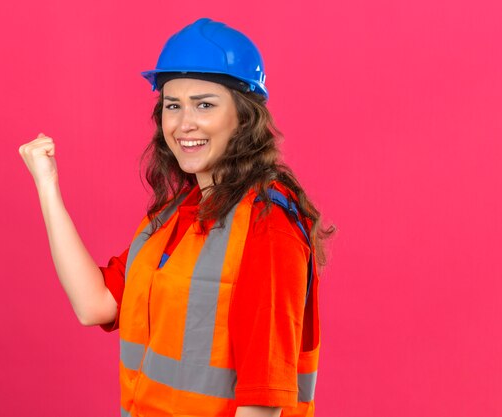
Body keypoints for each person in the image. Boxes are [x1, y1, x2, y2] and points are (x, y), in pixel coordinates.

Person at [19, 17, 333, 417]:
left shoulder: (267, 225)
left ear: (244, 116)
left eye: (204, 104)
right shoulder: (177, 214)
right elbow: (94, 305)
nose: (184, 123)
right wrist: (48, 187)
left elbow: (262, 405)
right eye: (172, 105)